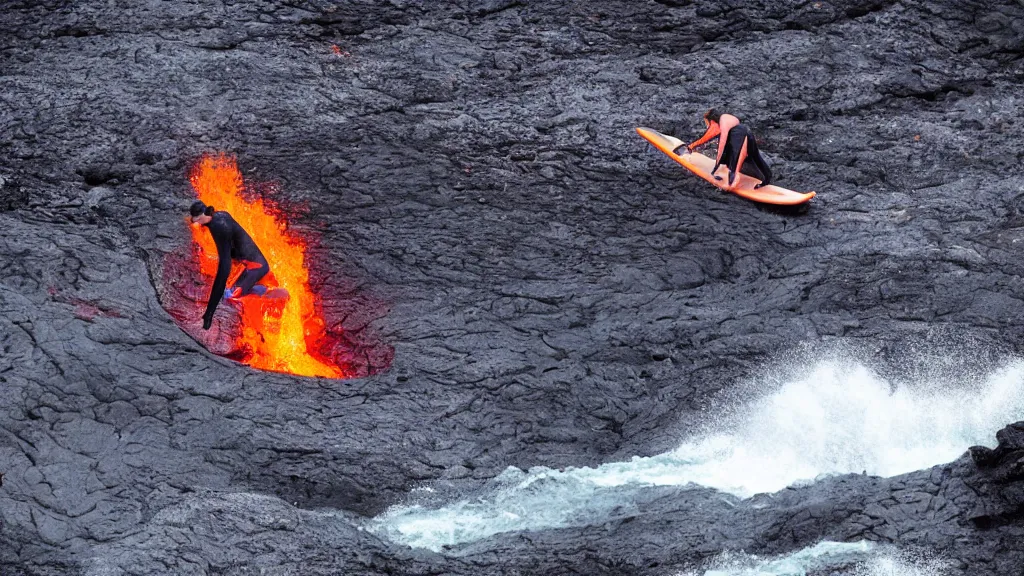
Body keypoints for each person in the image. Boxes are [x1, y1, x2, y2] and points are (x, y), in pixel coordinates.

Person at [188, 200, 271, 330]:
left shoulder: (219, 227)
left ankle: (265, 295)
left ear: (204, 215)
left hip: (256, 268)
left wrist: (209, 314)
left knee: (229, 297)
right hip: (248, 265)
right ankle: (259, 288)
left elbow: (224, 270)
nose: (197, 222)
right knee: (229, 291)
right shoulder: (219, 215)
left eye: (198, 219)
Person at [673, 109, 773, 189]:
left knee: (734, 166)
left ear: (711, 120)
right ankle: (766, 179)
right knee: (755, 157)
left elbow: (715, 140)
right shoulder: (727, 119)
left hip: (741, 138)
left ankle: (730, 185)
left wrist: (715, 167)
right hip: (747, 134)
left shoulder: (720, 122)